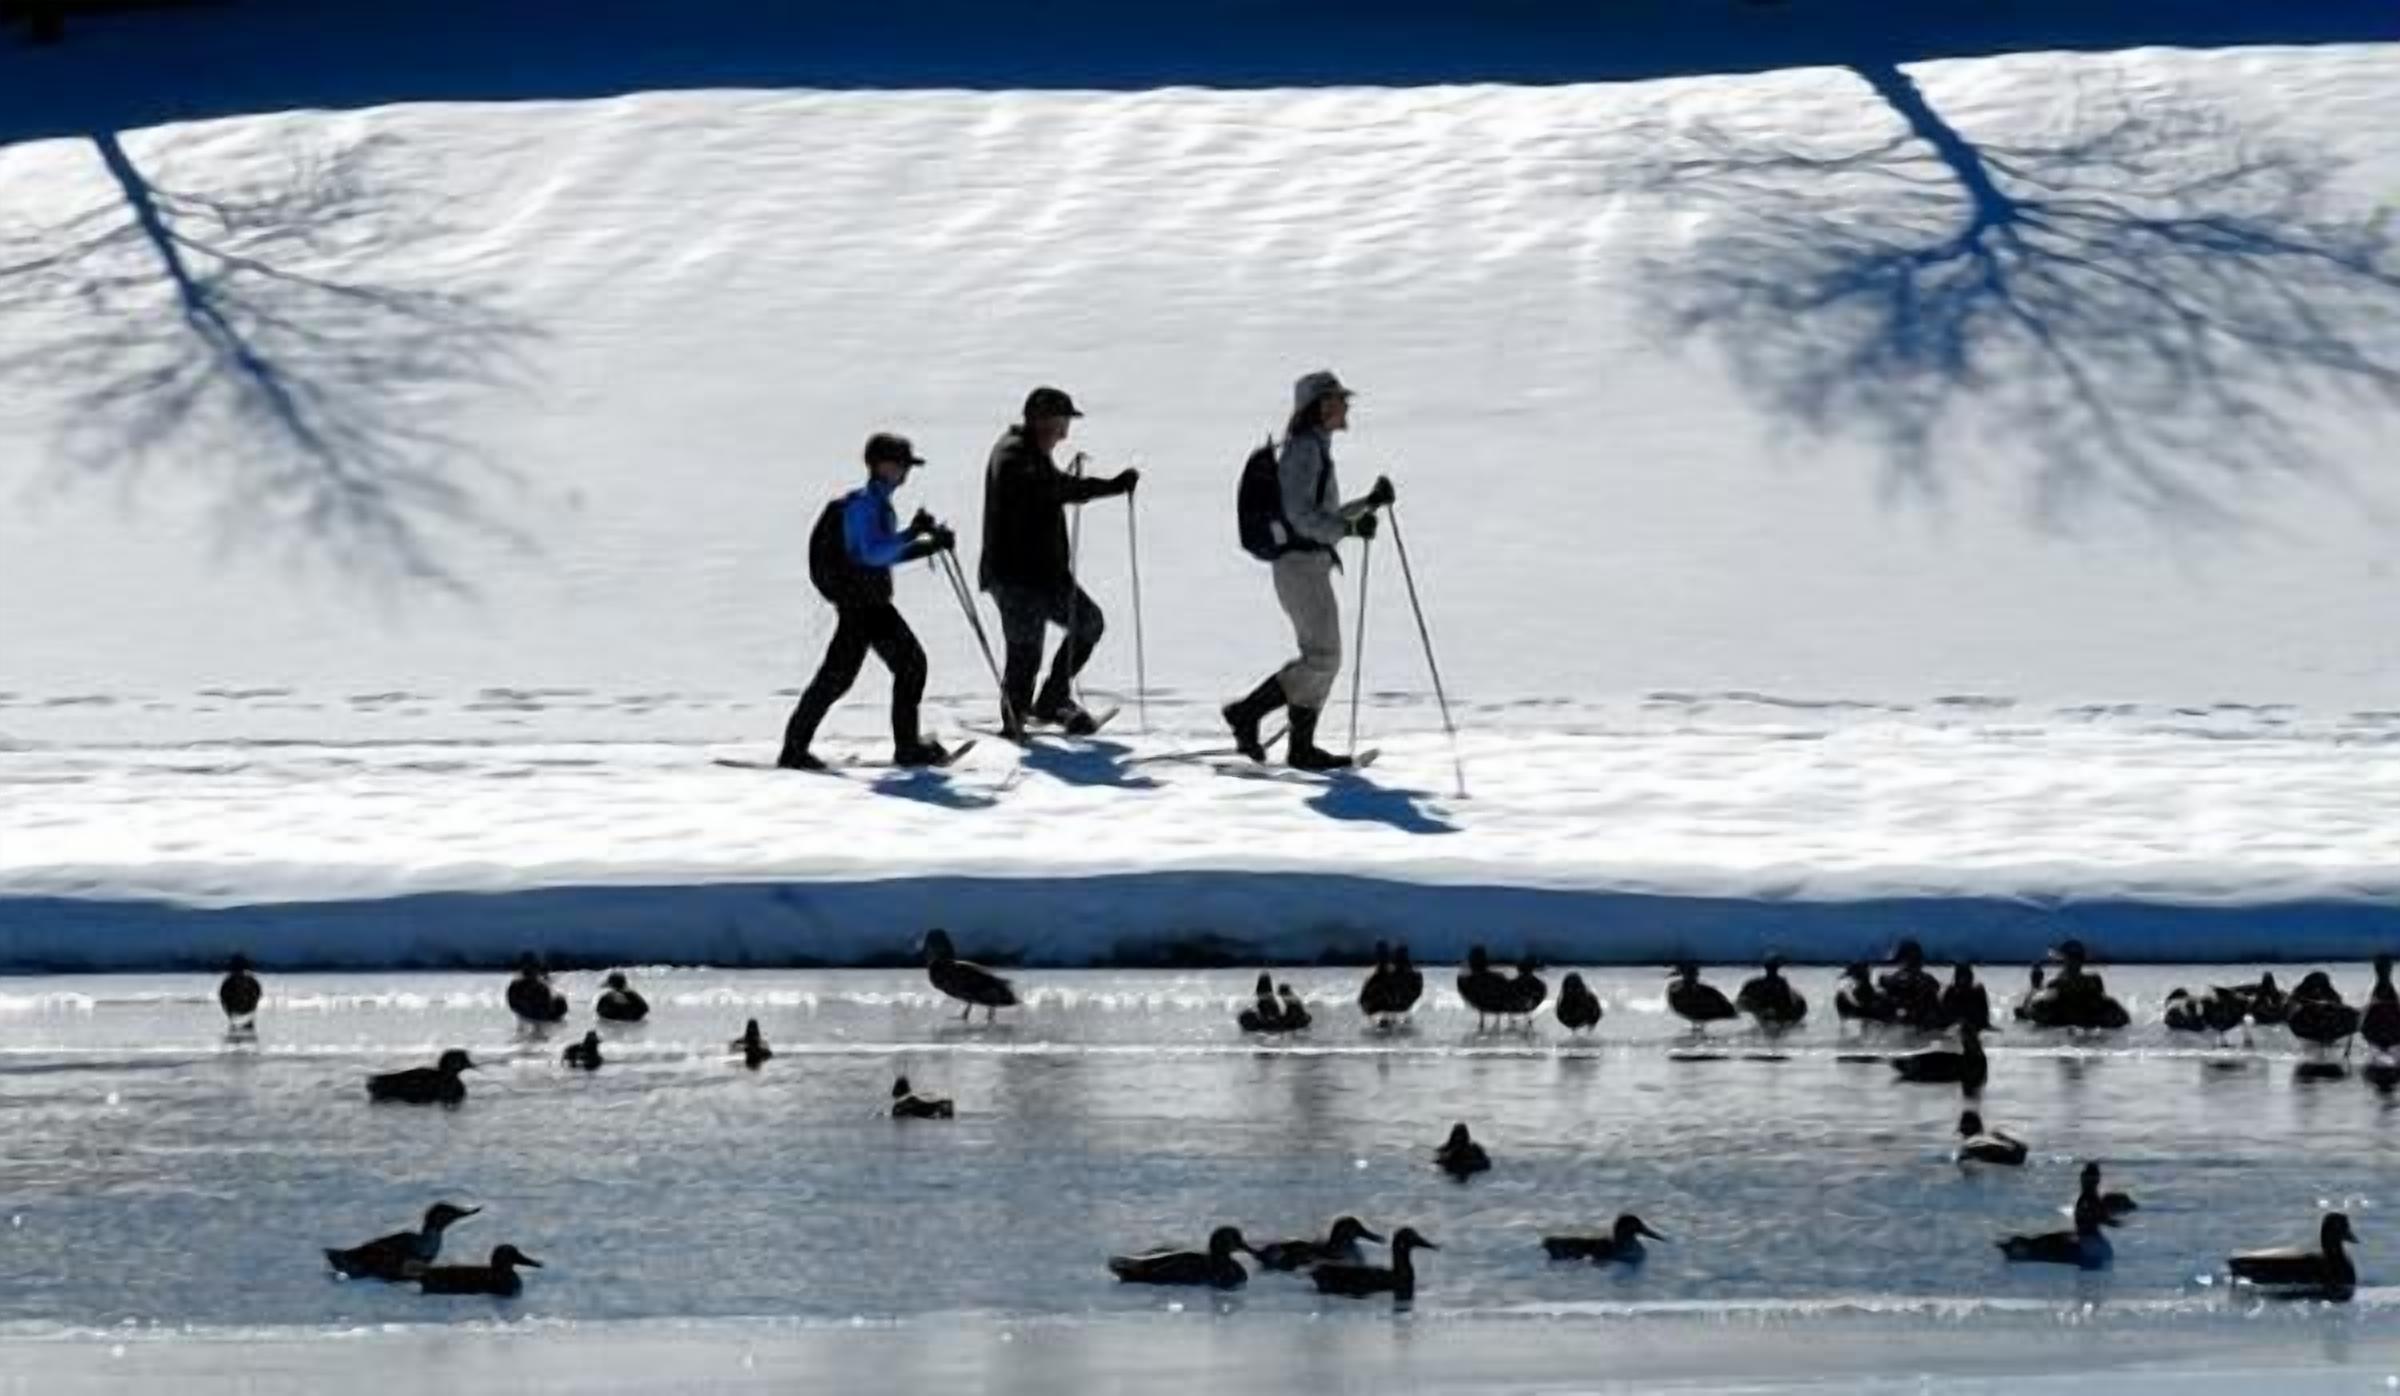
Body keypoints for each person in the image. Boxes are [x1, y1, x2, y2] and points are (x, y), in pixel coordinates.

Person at [1222, 370, 1393, 770]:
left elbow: (1321, 516)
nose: (1346, 405)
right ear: (1319, 405)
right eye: (1338, 399)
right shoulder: (1303, 450)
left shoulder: (1312, 448)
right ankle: (1248, 714)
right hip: (1299, 566)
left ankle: (1301, 746)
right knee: (1323, 658)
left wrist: (1367, 504)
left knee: (1322, 657)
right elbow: (1301, 517)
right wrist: (1348, 527)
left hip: (1306, 566)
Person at [777, 432, 958, 770]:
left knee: (872, 671)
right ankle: (902, 748)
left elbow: (878, 550)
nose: (906, 473)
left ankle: (798, 748)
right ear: (883, 466)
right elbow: (873, 554)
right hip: (862, 605)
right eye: (903, 465)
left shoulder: (874, 503)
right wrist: (916, 539)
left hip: (865, 602)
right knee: (894, 667)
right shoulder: (864, 505)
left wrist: (921, 540)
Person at [978, 386, 1139, 738]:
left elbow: (1055, 486)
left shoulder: (1032, 453)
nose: (1065, 431)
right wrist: (1105, 487)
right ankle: (1014, 720)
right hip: (1016, 577)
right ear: (1041, 420)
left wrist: (1105, 487)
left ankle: (1051, 700)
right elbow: (1053, 488)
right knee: (1025, 650)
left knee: (1089, 623)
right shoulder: (1012, 455)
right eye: (1062, 421)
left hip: (1045, 575)